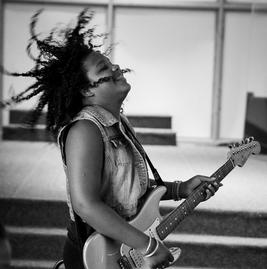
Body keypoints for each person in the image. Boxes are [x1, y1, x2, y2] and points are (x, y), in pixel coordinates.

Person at [0, 9, 221, 269]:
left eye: (111, 63)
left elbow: (122, 187)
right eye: (104, 68)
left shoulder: (116, 123)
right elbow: (86, 204)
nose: (116, 67)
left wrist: (179, 189)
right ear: (85, 89)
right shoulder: (85, 129)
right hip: (94, 255)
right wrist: (147, 245)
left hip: (121, 246)